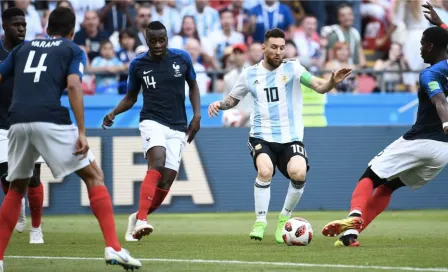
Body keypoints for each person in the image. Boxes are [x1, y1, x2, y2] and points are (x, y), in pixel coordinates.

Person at [0, 7, 141, 271]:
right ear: (72, 31)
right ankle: (114, 247)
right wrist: (82, 132)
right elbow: (75, 85)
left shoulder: (22, 48)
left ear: (46, 28)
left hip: (15, 121)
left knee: (17, 188)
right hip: (49, 118)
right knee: (94, 176)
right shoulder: (73, 49)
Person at [208, 28, 351, 243]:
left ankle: (284, 219)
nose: (278, 52)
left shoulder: (293, 68)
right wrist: (219, 104)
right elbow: (232, 100)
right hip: (261, 135)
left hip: (291, 137)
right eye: (273, 47)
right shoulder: (249, 74)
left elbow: (319, 87)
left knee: (299, 172)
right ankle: (260, 221)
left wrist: (332, 82)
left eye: (282, 48)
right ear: (264, 48)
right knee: (265, 171)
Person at [321, 4, 448, 247]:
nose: (420, 49)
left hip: (421, 140)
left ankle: (355, 215)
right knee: (389, 186)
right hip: (443, 153)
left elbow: (439, 100)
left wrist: (446, 122)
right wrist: (440, 23)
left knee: (370, 175)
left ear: (431, 47)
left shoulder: (429, 74)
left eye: (422, 44)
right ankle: (350, 236)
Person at [102, 21, 201, 242]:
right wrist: (113, 113)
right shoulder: (138, 64)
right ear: (146, 41)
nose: (157, 44)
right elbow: (131, 97)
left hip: (178, 125)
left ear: (167, 38)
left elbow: (193, 86)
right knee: (157, 161)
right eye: (153, 41)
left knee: (166, 182)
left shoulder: (182, 58)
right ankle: (144, 220)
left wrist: (197, 116)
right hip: (152, 120)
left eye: (161, 40)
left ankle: (137, 218)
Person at [0, 7, 45, 245]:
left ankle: (36, 229)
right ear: (4, 26)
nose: (21, 28)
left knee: (34, 177)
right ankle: (18, 205)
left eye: (24, 25)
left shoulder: (32, 51)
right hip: (1, 122)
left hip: (29, 120)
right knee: (7, 176)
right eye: (16, 24)